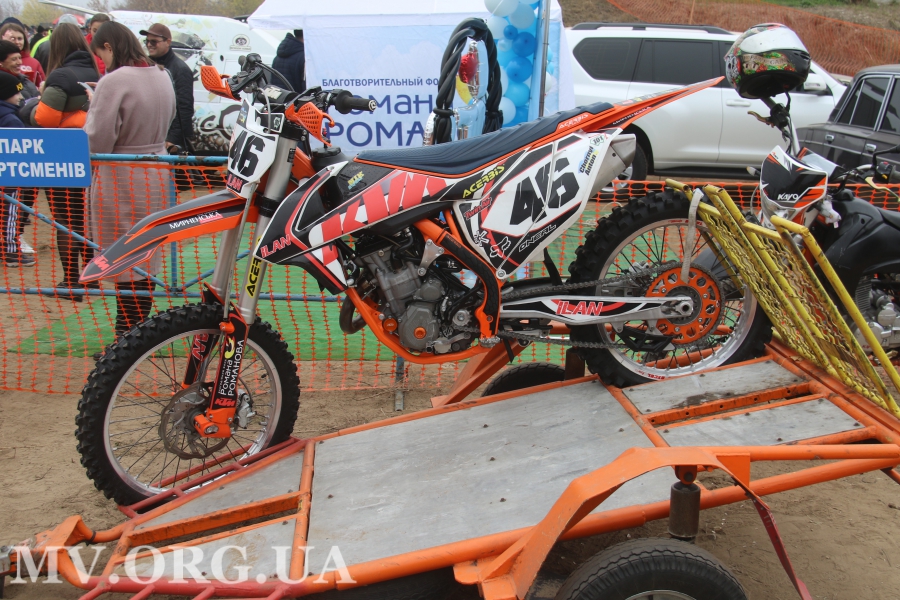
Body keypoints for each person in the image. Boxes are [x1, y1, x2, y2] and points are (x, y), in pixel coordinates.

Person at [86, 22, 175, 340]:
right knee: (146, 254)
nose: (102, 62)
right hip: (157, 170)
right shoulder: (162, 74)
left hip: (121, 176)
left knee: (125, 259)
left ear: (108, 47)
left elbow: (97, 141)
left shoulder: (114, 81)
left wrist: (92, 106)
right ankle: (134, 333)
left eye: (101, 55)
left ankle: (126, 337)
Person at [32, 23, 100, 296]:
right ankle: (92, 277)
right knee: (86, 218)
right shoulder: (97, 72)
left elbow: (44, 119)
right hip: (93, 152)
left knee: (65, 218)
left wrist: (31, 105)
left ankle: (70, 281)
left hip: (64, 155)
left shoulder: (60, 75)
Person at [140, 23, 193, 153]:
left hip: (169, 140)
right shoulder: (146, 65)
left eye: (154, 41)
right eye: (147, 41)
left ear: (168, 42)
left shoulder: (180, 69)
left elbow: (184, 107)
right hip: (151, 137)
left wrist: (172, 138)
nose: (149, 45)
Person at [0, 71, 33, 267]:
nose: (20, 97)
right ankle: (11, 251)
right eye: (16, 93)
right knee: (10, 213)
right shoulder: (11, 119)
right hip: (9, 176)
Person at [0, 22, 44, 87]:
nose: (17, 42)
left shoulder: (34, 62)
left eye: (19, 39)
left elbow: (42, 85)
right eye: (12, 39)